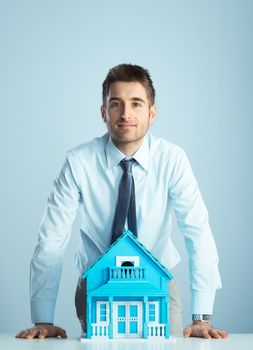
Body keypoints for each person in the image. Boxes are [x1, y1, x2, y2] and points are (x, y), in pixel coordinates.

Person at [16, 64, 228, 340]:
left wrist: (202, 317)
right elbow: (51, 240)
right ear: (104, 112)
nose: (126, 114)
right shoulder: (78, 161)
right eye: (116, 104)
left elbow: (197, 231)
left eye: (136, 104)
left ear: (152, 113)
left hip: (157, 284)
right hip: (97, 283)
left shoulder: (172, 159)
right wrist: (43, 318)